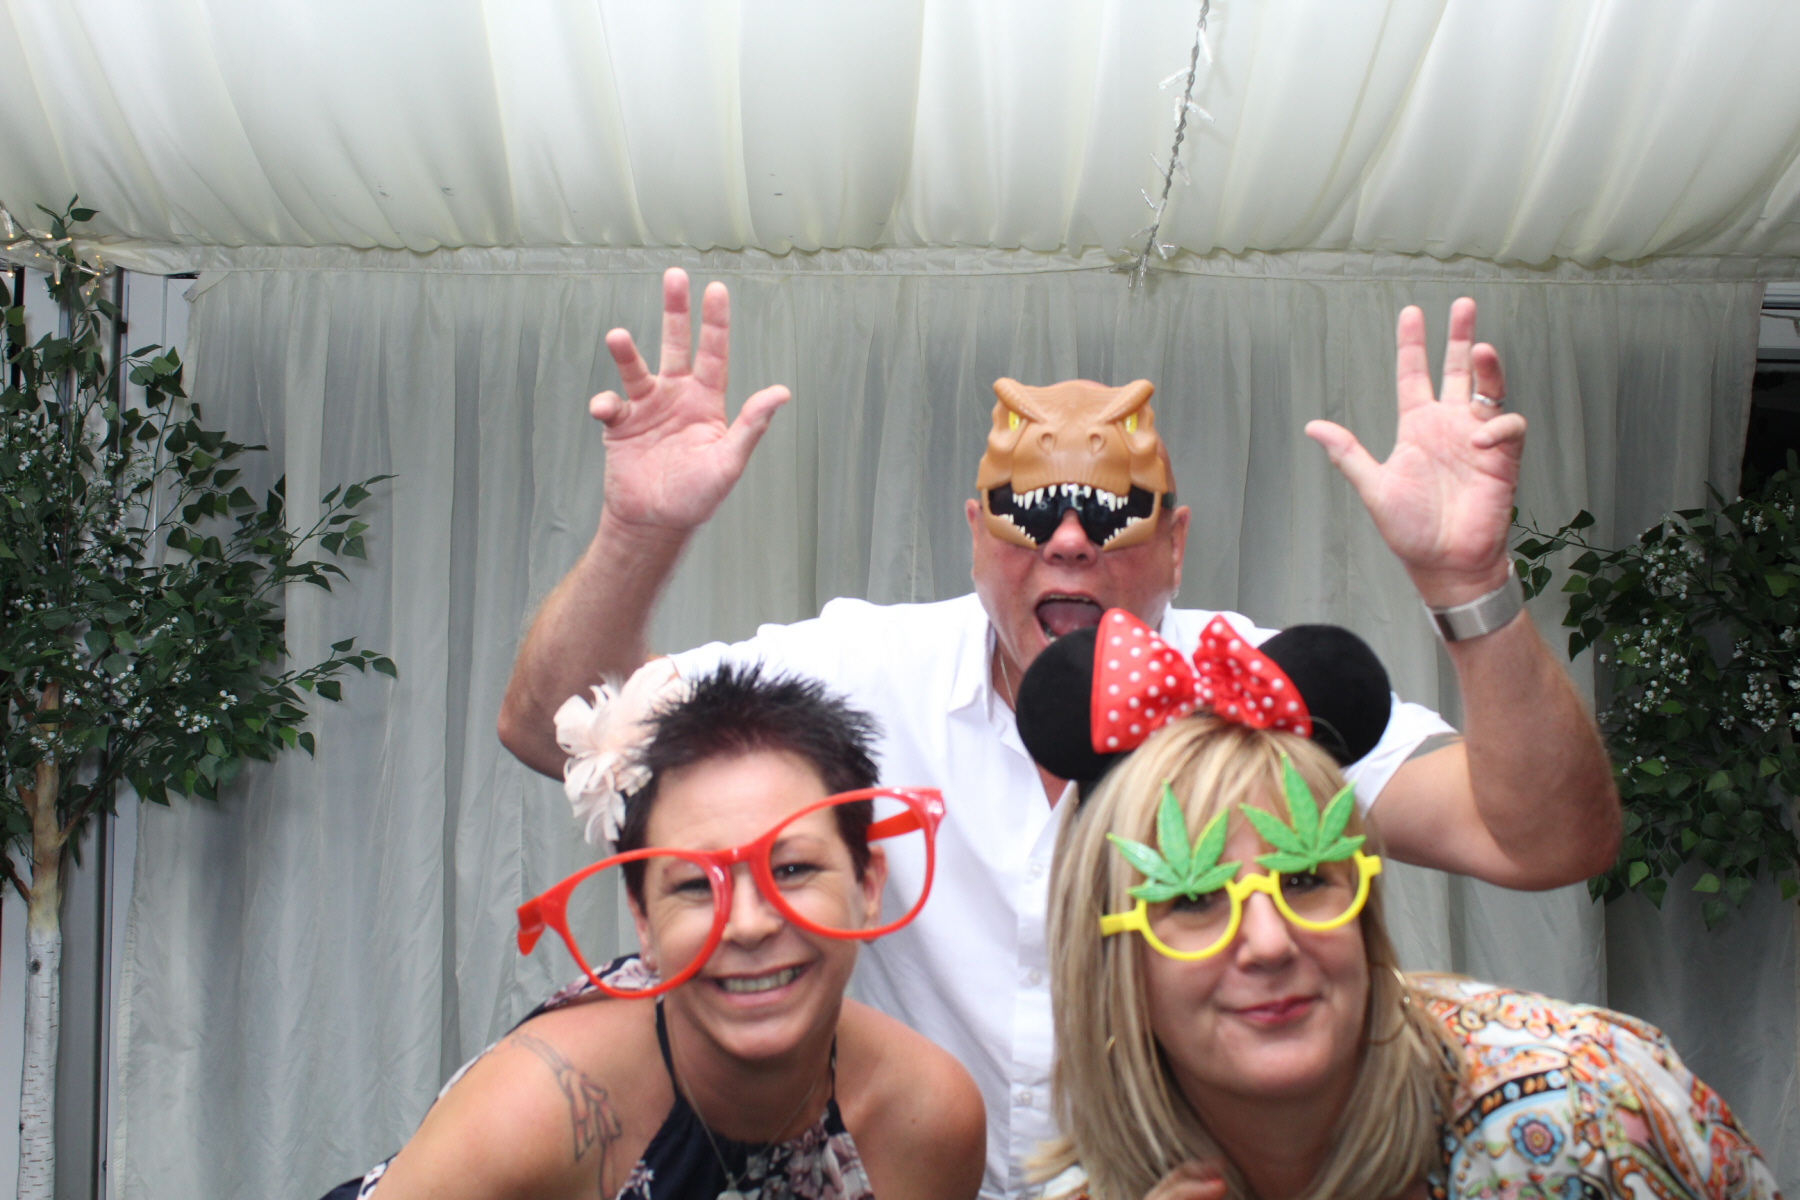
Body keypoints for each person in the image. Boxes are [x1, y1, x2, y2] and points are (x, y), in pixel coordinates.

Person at [495, 269, 1621, 1197]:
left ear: (1175, 543)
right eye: (1029, 511)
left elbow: (1542, 839)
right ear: (975, 535)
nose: (1070, 542)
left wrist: (1468, 582)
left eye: (1116, 511)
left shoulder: (1253, 692)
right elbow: (560, 729)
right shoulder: (867, 668)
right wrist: (639, 531)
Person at [1038, 708, 1777, 1200]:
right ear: (1111, 969)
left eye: (1304, 879)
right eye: (1196, 900)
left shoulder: (1591, 1115)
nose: (1268, 942)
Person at [326, 665, 986, 1200]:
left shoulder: (927, 1117)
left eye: (792, 870)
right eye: (695, 885)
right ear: (643, 919)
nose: (749, 924)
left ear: (868, 886)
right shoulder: (532, 1114)